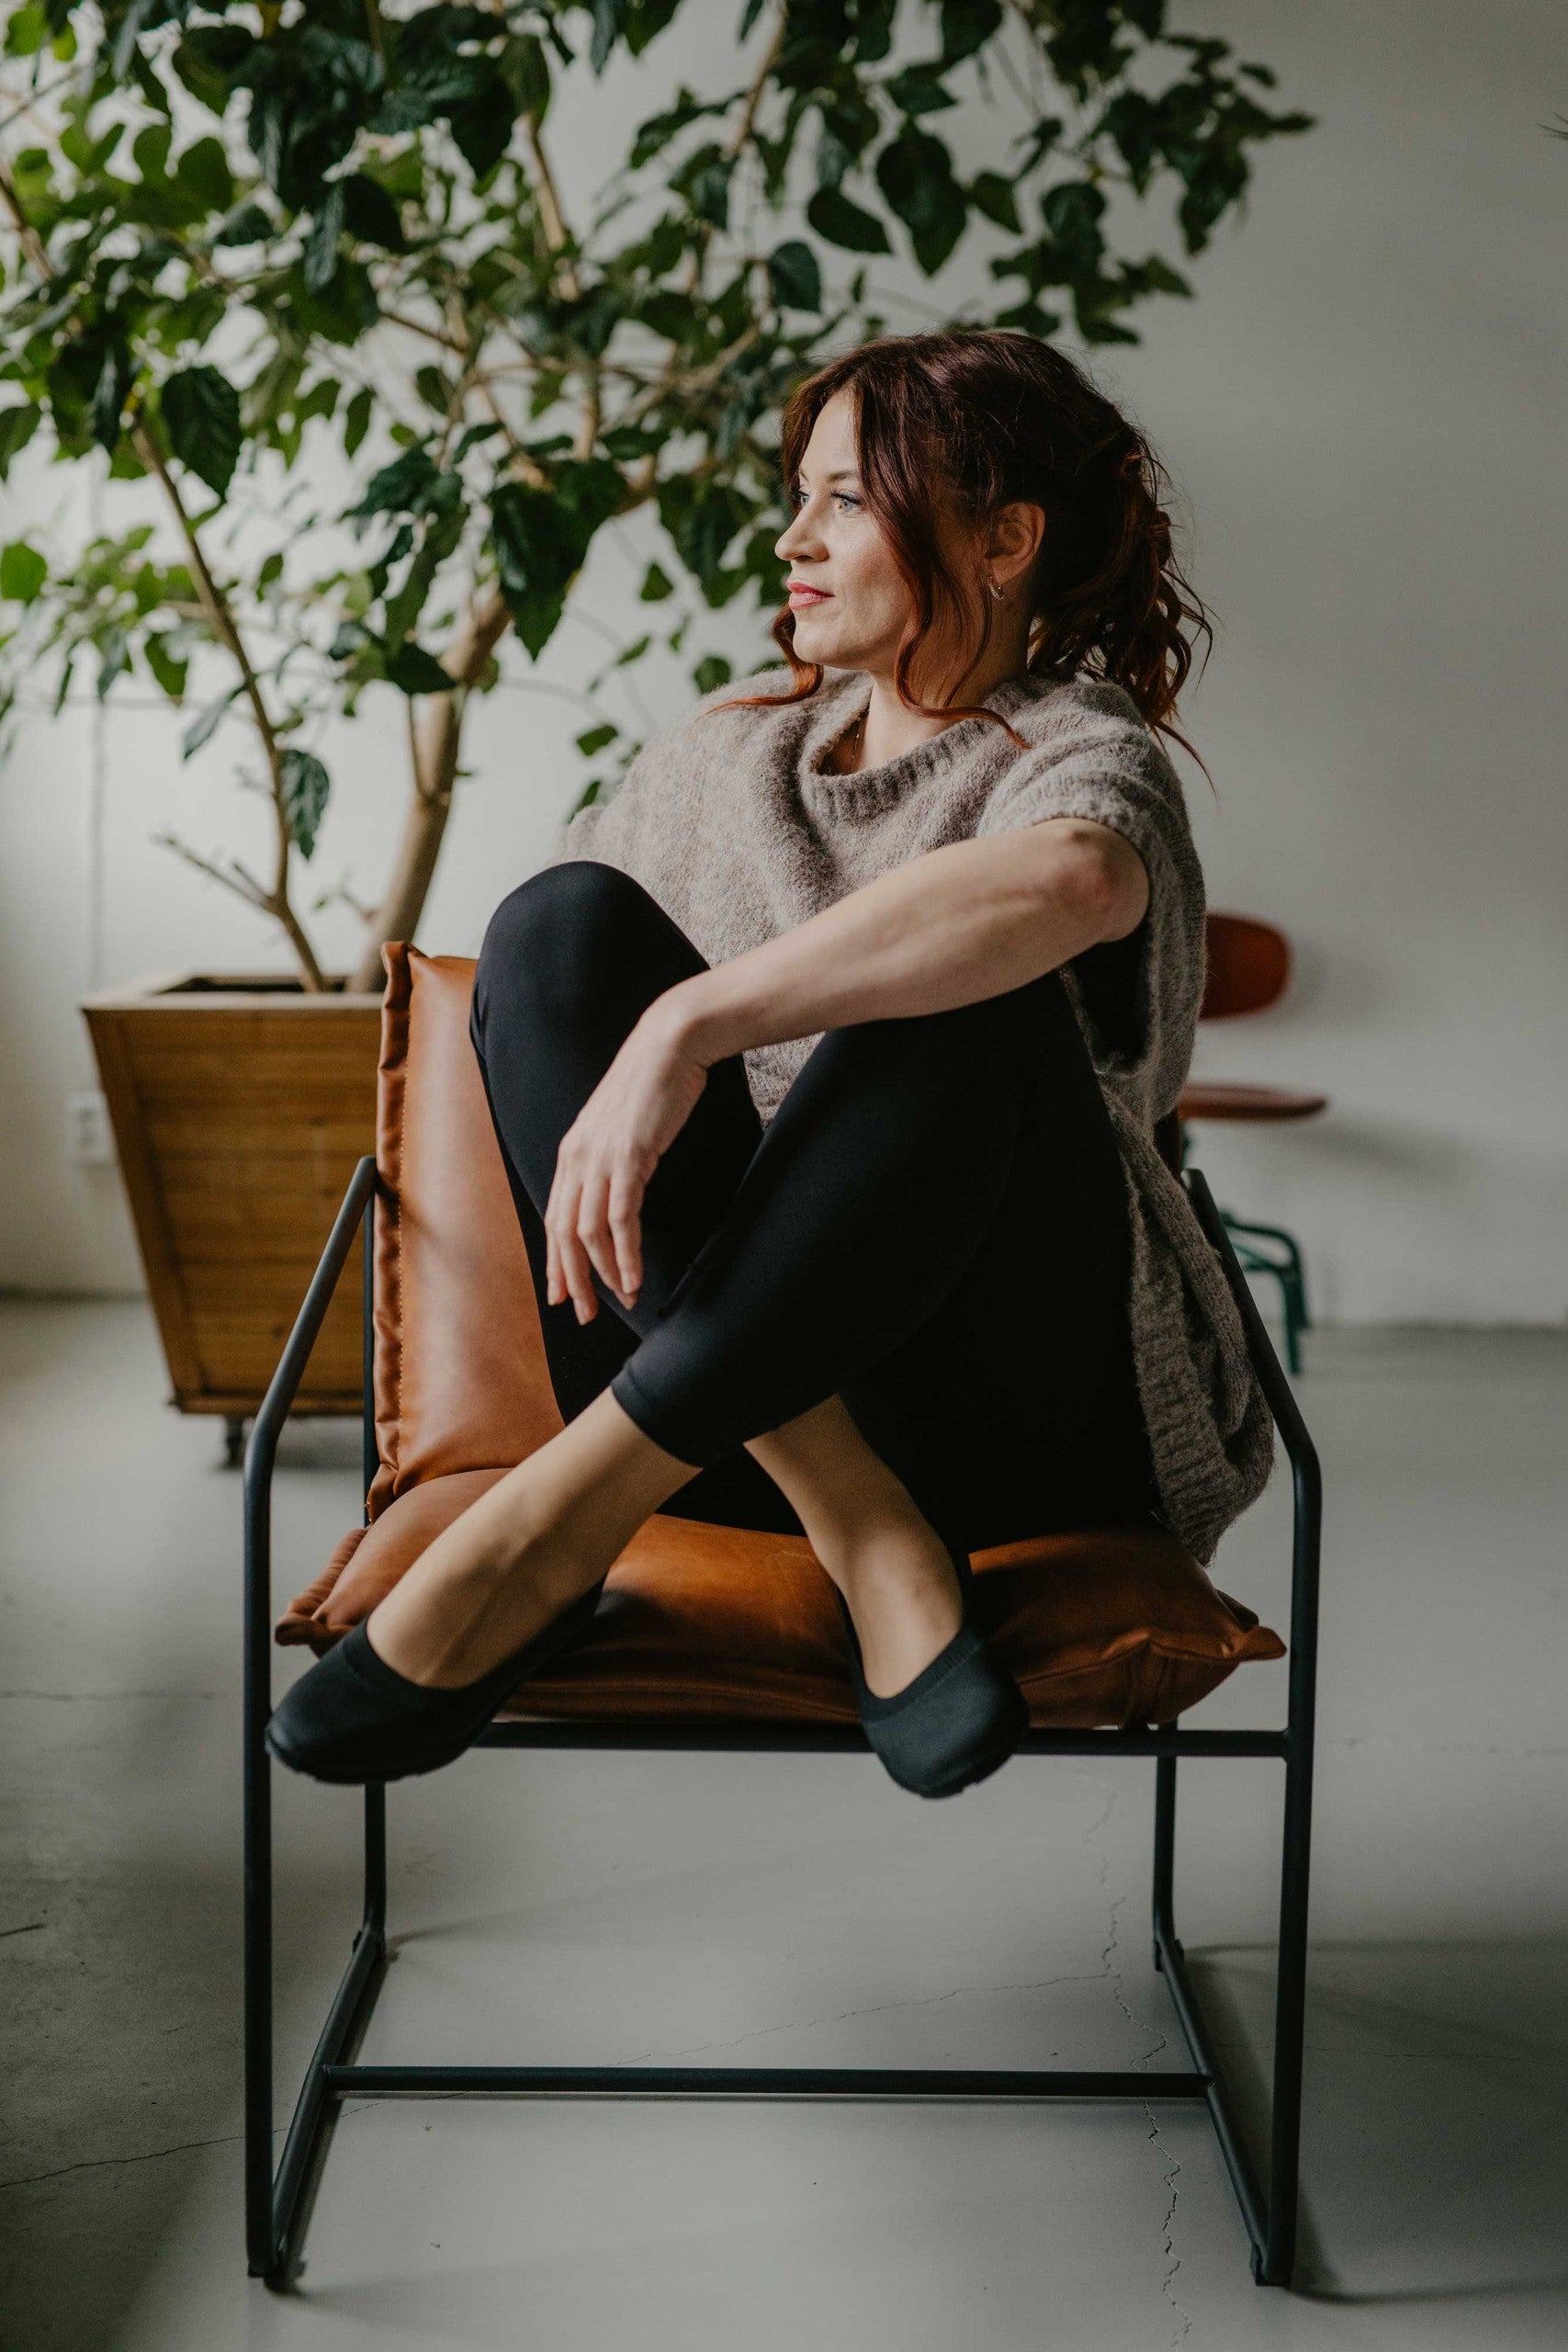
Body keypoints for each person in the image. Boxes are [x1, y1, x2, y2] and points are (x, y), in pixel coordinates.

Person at [266, 328, 1273, 1800]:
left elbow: (1067, 887)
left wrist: (693, 1024)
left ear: (1006, 539)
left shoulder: (1078, 746)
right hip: (716, 1405)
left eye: (846, 501)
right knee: (554, 927)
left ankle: (548, 1530)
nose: (792, 539)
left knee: (972, 993)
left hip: (1021, 1405)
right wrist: (635, 1029)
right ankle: (859, 1520)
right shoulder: (726, 755)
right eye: (797, 495)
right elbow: (541, 1012)